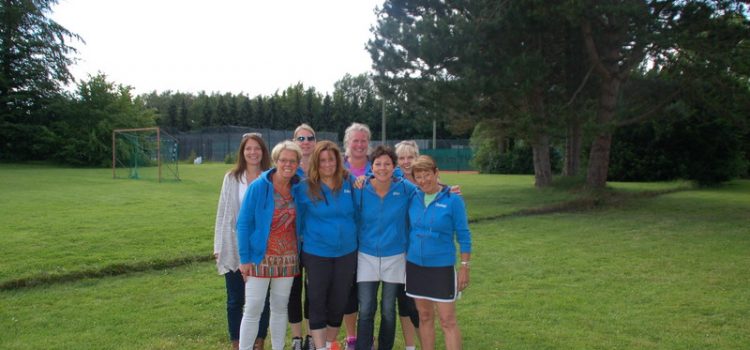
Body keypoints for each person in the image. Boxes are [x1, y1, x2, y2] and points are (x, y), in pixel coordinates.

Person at [236, 140, 304, 350]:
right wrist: (244, 259)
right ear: (275, 161)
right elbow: (243, 223)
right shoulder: (259, 185)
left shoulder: (299, 187)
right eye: (283, 160)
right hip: (260, 256)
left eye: (292, 161)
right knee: (253, 307)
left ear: (298, 163)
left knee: (280, 307)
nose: (287, 164)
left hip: (288, 257)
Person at [295, 140, 358, 350]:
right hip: (316, 253)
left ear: (338, 161)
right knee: (316, 301)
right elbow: (298, 220)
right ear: (316, 162)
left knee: (339, 302)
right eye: (322, 160)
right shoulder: (304, 188)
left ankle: (330, 343)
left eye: (331, 159)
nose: (328, 164)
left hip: (346, 253)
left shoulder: (349, 183)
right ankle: (320, 346)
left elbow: (363, 208)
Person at [354, 145, 418, 350]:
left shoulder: (405, 189)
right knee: (366, 309)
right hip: (366, 255)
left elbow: (428, 191)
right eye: (378, 164)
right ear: (371, 166)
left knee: (388, 309)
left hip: (395, 257)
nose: (382, 168)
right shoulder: (361, 189)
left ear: (394, 166)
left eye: (387, 164)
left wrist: (447, 190)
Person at [406, 155, 471, 350]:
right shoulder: (413, 196)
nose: (424, 180)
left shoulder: (453, 199)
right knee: (424, 317)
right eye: (419, 176)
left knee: (447, 321)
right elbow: (388, 174)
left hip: (441, 267)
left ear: (436, 173)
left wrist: (465, 267)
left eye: (427, 174)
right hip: (415, 266)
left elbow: (464, 235)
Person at [214, 133, 272, 350]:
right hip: (233, 246)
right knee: (235, 300)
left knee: (260, 300)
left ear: (263, 152)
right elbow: (222, 212)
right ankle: (237, 343)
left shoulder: (269, 178)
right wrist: (218, 246)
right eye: (248, 148)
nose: (253, 152)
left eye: (257, 148)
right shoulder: (231, 178)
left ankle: (258, 341)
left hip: (260, 248)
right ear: (242, 152)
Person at [340, 122, 372, 349]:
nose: (360, 145)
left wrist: (442, 187)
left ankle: (367, 336)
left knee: (367, 293)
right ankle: (352, 337)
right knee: (349, 290)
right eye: (355, 140)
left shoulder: (379, 166)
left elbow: (409, 181)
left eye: (363, 141)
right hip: (345, 241)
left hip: (372, 240)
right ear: (347, 143)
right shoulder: (336, 167)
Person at [290, 123, 316, 350]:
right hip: (291, 242)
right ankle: (296, 338)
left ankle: (311, 335)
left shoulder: (323, 168)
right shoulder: (288, 170)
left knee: (313, 290)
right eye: (301, 138)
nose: (306, 142)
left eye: (310, 138)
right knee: (293, 290)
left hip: (316, 243)